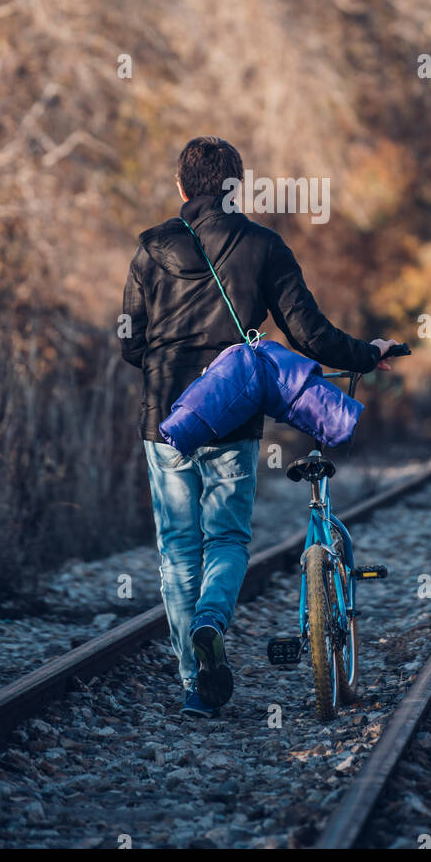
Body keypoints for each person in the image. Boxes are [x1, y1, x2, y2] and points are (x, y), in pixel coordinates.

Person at [120, 136, 397, 717]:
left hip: (166, 418)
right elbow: (310, 334)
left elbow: (130, 343)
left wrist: (171, 358)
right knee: (226, 539)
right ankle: (211, 622)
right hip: (231, 417)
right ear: (235, 187)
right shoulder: (262, 247)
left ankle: (196, 683)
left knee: (177, 549)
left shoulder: (150, 251)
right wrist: (367, 354)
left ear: (181, 188)